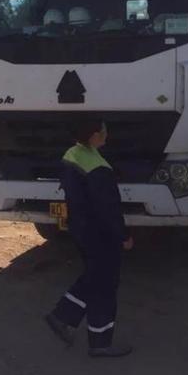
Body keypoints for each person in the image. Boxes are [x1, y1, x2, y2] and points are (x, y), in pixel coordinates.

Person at [45, 119, 134, 358]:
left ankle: (63, 317)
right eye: (104, 131)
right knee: (105, 284)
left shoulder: (73, 154)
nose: (107, 134)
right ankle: (100, 342)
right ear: (94, 135)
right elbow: (109, 209)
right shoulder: (98, 168)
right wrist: (123, 235)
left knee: (94, 276)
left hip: (80, 228)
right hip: (101, 233)